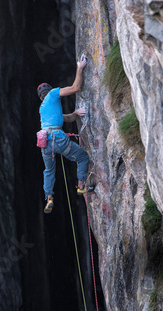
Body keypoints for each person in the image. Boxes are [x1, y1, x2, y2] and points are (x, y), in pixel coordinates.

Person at [37, 55, 92, 214]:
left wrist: (75, 113)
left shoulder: (43, 109)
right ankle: (81, 186)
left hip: (45, 143)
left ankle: (49, 197)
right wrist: (80, 68)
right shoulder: (53, 94)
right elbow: (76, 88)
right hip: (58, 140)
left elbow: (66, 118)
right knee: (82, 157)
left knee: (49, 170)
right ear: (49, 91)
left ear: (40, 97)